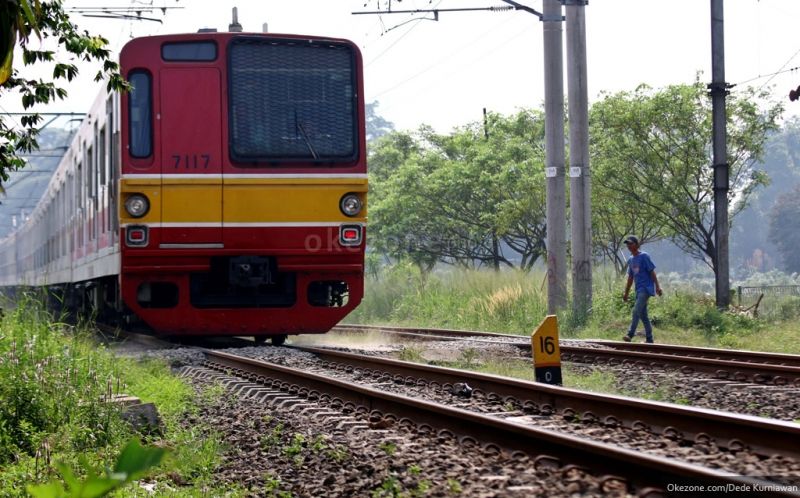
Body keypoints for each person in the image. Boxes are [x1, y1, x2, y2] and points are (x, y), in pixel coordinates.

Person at [621, 235, 662, 343]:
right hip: (638, 290)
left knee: (636, 311)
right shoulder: (631, 260)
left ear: (637, 245)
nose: (629, 246)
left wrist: (657, 286)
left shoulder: (644, 256)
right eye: (627, 244)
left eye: (631, 243)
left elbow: (652, 271)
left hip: (646, 289)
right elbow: (630, 278)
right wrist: (626, 293)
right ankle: (649, 339)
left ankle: (630, 334)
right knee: (643, 315)